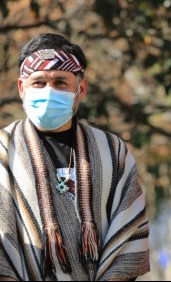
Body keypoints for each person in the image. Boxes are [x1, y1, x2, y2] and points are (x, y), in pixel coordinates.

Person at [0, 33, 150, 281]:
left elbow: (130, 229)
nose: (49, 91)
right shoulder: (5, 150)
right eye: (38, 82)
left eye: (61, 82)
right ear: (21, 88)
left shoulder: (112, 150)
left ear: (81, 88)